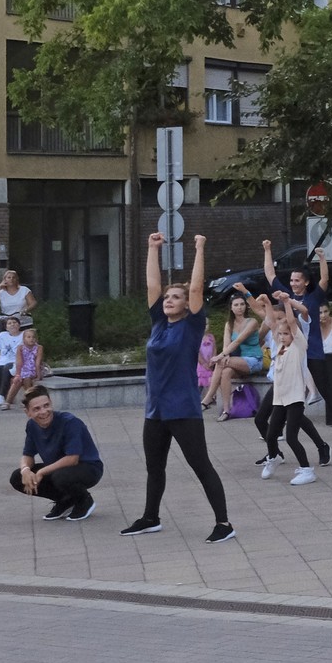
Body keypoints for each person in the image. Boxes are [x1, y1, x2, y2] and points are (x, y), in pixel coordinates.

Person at [123, 232, 234, 543]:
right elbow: (152, 286)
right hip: (155, 409)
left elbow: (196, 287)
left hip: (183, 408)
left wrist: (200, 248)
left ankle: (224, 523)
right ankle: (150, 518)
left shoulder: (192, 325)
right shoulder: (159, 323)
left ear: (187, 305)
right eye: (167, 298)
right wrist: (152, 248)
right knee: (154, 468)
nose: (168, 300)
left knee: (201, 466)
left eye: (175, 297)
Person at [261, 293, 330, 484]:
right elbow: (272, 323)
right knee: (271, 435)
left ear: (294, 334)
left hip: (295, 399)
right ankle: (273, 458)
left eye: (286, 334)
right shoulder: (279, 347)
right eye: (281, 334)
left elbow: (291, 322)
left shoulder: (299, 346)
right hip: (280, 398)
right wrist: (267, 303)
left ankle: (307, 470)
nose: (283, 337)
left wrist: (286, 303)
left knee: (291, 437)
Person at [10, 386, 102, 521]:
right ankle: (66, 500)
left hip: (88, 468)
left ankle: (84, 500)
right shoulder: (32, 425)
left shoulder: (70, 422)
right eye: (36, 409)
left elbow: (72, 459)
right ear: (27, 412)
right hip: (57, 469)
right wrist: (25, 470)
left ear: (51, 404)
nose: (43, 412)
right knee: (17, 477)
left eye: (46, 405)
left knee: (60, 477)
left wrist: (41, 472)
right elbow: (28, 454)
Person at [202, 289, 263, 418]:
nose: (239, 307)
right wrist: (226, 354)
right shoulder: (229, 324)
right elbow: (227, 344)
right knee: (226, 372)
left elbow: (238, 341)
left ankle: (208, 398)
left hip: (254, 359)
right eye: (236, 305)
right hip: (239, 361)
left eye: (242, 304)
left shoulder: (252, 322)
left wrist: (221, 356)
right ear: (231, 307)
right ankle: (226, 410)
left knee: (221, 362)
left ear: (246, 306)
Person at [3, 319, 44, 412]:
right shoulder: (20, 347)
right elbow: (19, 362)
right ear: (24, 338)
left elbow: (38, 362)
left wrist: (38, 375)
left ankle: (28, 402)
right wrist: (17, 375)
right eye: (28, 337)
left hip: (33, 369)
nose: (31, 339)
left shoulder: (39, 347)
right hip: (23, 370)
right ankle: (8, 402)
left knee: (27, 379)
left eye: (33, 337)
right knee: (17, 381)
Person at [0, 313, 22, 406]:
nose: (12, 325)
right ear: (6, 327)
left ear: (19, 325)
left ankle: (1, 396)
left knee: (7, 368)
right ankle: (1, 395)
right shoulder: (2, 335)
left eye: (14, 322)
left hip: (16, 360)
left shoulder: (23, 335)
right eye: (9, 323)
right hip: (3, 360)